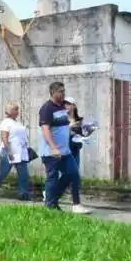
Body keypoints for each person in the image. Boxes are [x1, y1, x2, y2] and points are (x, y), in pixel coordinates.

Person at [39, 82, 86, 214]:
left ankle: (52, 199)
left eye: (64, 91)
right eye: (60, 91)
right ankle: (50, 205)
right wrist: (53, 147)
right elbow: (45, 129)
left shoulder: (64, 105)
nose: (63, 93)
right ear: (53, 92)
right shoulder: (47, 108)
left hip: (65, 150)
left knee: (73, 174)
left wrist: (76, 128)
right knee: (52, 177)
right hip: (50, 151)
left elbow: (67, 123)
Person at [0, 102, 31, 200]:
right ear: (8, 111)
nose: (17, 112)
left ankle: (23, 195)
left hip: (21, 152)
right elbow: (4, 137)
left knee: (24, 174)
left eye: (17, 109)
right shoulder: (6, 122)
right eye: (15, 109)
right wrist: (9, 151)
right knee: (2, 174)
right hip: (9, 151)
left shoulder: (17, 123)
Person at [64, 97, 90, 213]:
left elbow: (84, 135)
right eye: (65, 104)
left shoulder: (80, 120)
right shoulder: (62, 119)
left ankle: (76, 203)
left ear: (74, 106)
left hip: (75, 149)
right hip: (64, 149)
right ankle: (52, 193)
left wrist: (84, 136)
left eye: (69, 104)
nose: (66, 106)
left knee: (74, 176)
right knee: (67, 176)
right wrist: (69, 128)